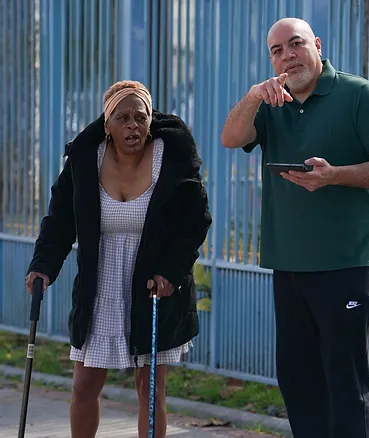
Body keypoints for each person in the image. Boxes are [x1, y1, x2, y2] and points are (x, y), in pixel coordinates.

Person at [221, 17, 369, 438]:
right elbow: (231, 138)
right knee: (298, 380)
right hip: (288, 262)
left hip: (347, 261)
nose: (287, 55)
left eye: (296, 44)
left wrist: (334, 175)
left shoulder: (358, 94)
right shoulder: (271, 103)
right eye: (277, 50)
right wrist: (253, 95)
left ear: (317, 46)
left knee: (345, 382)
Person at [25, 80, 212, 438]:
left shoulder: (170, 160)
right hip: (102, 283)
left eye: (140, 117)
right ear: (107, 125)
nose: (132, 126)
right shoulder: (85, 160)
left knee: (150, 389)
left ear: (150, 121)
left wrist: (170, 273)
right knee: (83, 386)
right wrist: (43, 265)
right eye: (122, 118)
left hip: (154, 284)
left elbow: (194, 223)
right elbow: (60, 218)